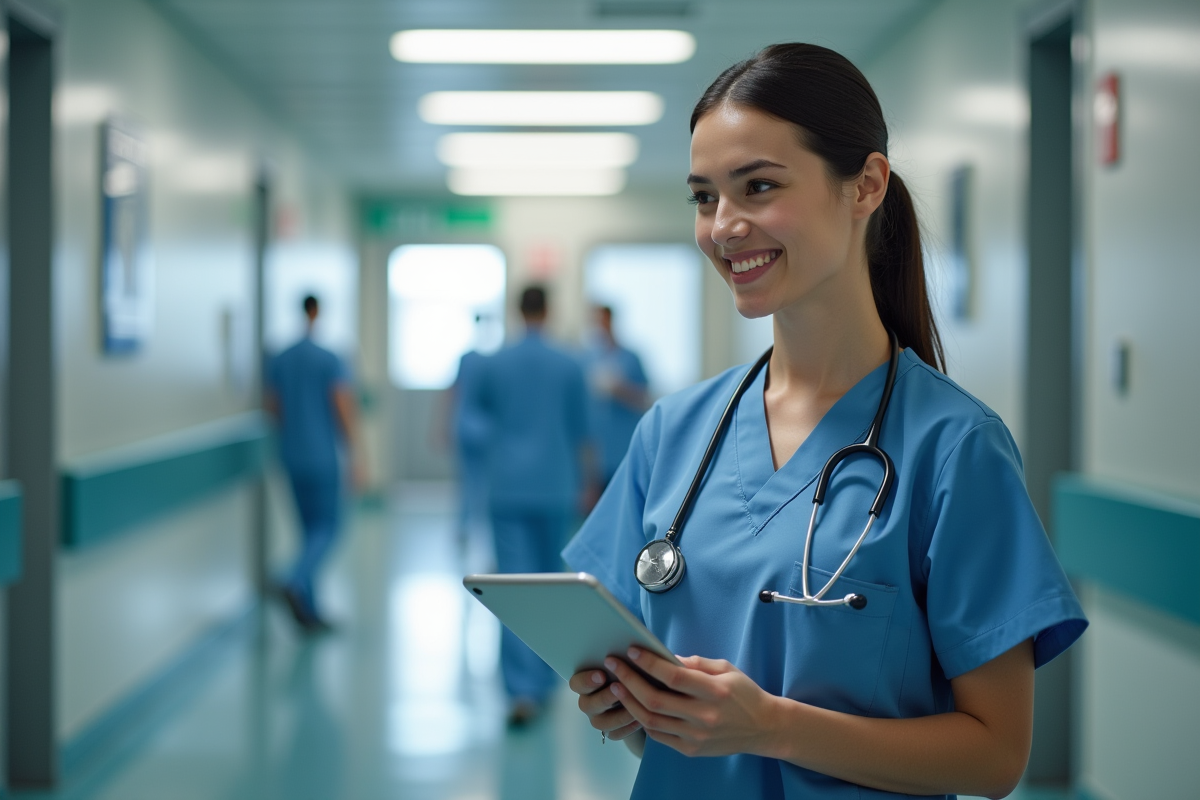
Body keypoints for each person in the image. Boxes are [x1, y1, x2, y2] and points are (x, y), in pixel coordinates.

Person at [563, 44, 1087, 800]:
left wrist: (770, 726)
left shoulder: (953, 448)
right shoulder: (673, 433)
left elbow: (996, 755)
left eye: (760, 186)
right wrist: (630, 704)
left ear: (865, 185)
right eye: (704, 197)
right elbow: (635, 670)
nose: (724, 226)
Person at [464, 286, 589, 726]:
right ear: (549, 311)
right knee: (551, 586)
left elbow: (473, 420)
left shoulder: (495, 363)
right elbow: (582, 433)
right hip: (555, 486)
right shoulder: (570, 364)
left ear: (518, 311)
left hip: (509, 487)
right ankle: (545, 678)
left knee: (515, 588)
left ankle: (522, 691)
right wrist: (588, 484)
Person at [265, 294, 362, 633]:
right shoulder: (329, 358)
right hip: (322, 458)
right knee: (329, 529)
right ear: (318, 312)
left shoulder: (280, 358)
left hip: (292, 456)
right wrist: (356, 454)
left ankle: (310, 612)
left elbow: (272, 407)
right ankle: (293, 579)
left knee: (308, 534)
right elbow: (342, 405)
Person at [582, 305, 649, 497]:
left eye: (602, 321)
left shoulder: (630, 358)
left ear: (611, 321)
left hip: (624, 447)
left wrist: (620, 389)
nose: (599, 327)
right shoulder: (586, 359)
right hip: (596, 453)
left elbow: (643, 398)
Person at [449, 316, 491, 546]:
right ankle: (481, 529)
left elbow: (453, 394)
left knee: (468, 481)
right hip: (485, 432)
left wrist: (443, 426)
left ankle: (464, 527)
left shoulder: (467, 360)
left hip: (466, 428)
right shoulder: (492, 361)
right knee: (482, 482)